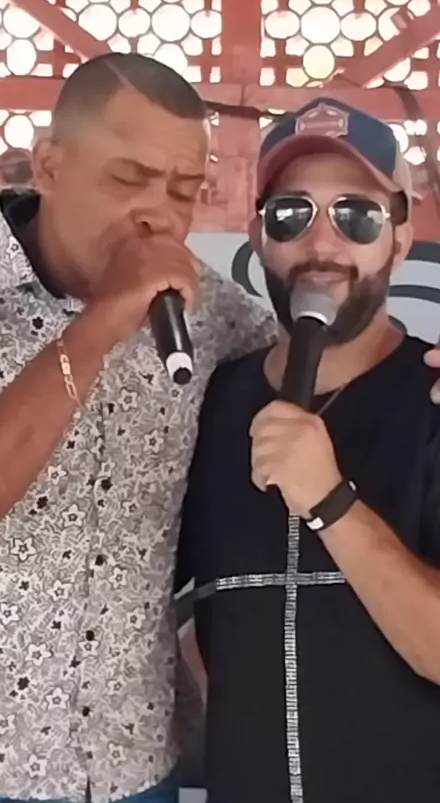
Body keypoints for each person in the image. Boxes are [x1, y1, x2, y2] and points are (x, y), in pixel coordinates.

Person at [0, 53, 276, 803]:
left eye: (183, 190)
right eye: (128, 178)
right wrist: (102, 324)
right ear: (48, 164)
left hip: (134, 766)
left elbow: (337, 390)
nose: (157, 213)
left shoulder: (218, 317)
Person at [176, 97, 440, 803]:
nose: (322, 245)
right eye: (292, 214)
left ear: (400, 239)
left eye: (357, 216)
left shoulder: (433, 400)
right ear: (258, 237)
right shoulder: (208, 403)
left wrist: (330, 502)